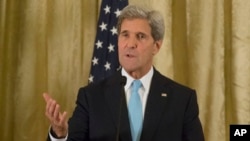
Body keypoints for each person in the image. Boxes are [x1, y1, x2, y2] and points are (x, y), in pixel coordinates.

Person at [43, 5, 205, 141]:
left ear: (156, 46)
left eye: (140, 36)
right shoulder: (91, 97)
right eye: (125, 35)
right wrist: (60, 135)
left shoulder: (182, 99)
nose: (130, 44)